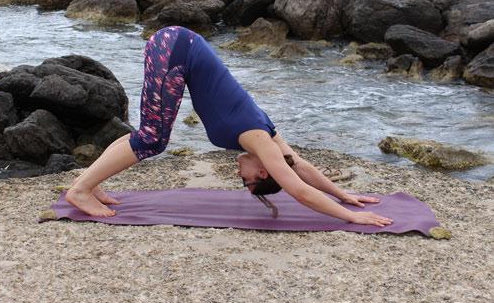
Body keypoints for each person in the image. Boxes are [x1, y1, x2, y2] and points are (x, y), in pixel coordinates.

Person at [66, 26, 393, 228]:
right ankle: (80, 189)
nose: (240, 177)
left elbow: (300, 166)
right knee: (153, 139)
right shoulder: (259, 140)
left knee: (148, 135)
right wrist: (351, 215)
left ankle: (89, 184)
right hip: (176, 48)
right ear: (264, 172)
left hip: (179, 46)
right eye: (247, 182)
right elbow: (299, 189)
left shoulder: (265, 135)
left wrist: (343, 194)